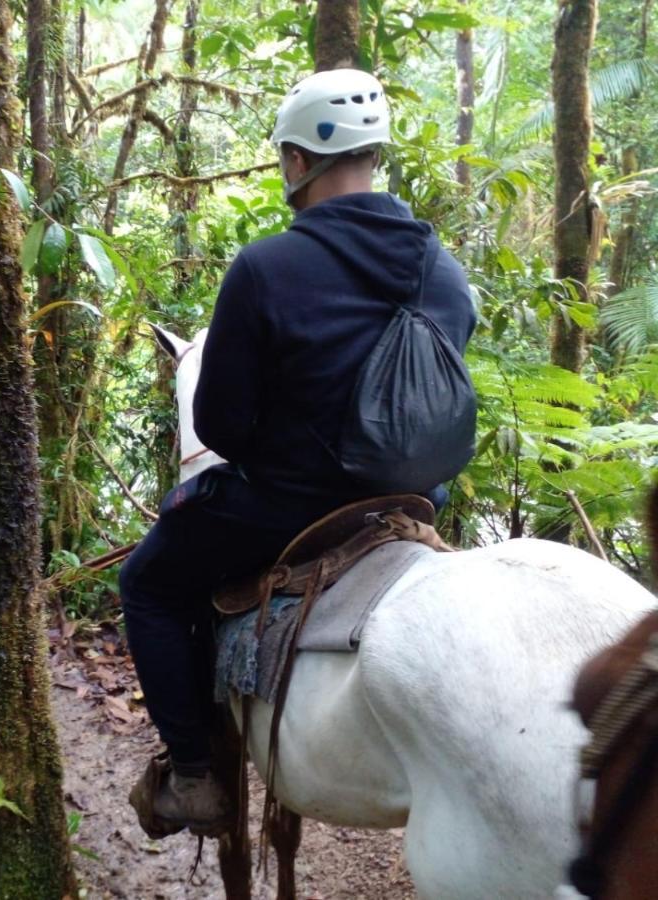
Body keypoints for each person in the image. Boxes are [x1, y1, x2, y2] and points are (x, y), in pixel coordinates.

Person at [121, 69, 476, 835]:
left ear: (295, 162)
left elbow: (218, 426)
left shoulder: (266, 268)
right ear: (373, 156)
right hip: (413, 504)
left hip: (287, 510)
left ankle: (192, 775)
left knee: (147, 583)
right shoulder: (444, 271)